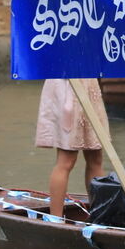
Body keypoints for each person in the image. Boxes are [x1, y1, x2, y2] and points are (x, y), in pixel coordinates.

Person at [35, 78, 106, 218]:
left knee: (95, 157)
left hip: (89, 84)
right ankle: (55, 218)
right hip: (67, 84)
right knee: (67, 159)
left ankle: (100, 216)